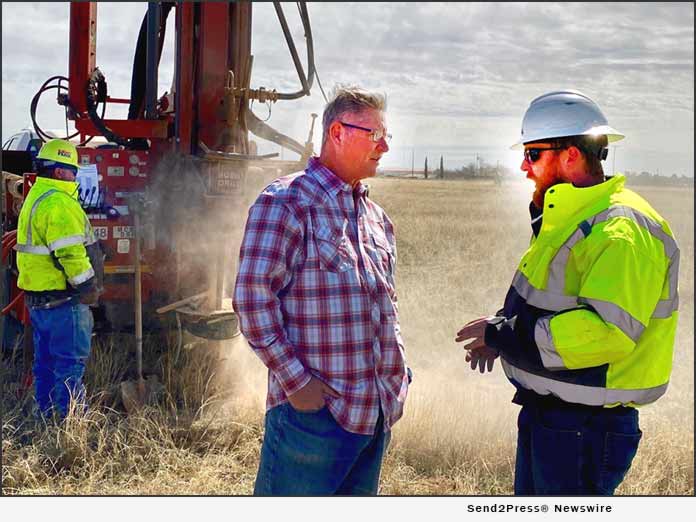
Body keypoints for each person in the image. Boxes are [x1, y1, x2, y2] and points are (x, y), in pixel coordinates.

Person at [455, 90, 679, 495]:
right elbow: (549, 302)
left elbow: (604, 332)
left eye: (533, 153)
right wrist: (502, 333)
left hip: (586, 429)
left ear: (571, 155)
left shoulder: (620, 230)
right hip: (553, 417)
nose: (524, 166)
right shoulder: (572, 218)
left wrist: (504, 336)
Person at [233, 85, 410, 495]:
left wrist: (399, 379)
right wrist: (296, 382)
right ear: (337, 133)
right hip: (314, 420)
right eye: (374, 135)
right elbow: (252, 300)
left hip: (374, 415)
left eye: (386, 137)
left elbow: (386, 308)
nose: (383, 146)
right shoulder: (286, 201)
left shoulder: (377, 220)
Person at [15, 138, 103, 420]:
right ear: (58, 172)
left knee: (45, 366)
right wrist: (88, 286)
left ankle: (46, 420)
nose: (75, 176)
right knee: (69, 369)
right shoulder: (59, 202)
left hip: (40, 302)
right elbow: (70, 255)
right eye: (71, 170)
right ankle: (71, 428)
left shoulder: (37, 197)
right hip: (65, 302)